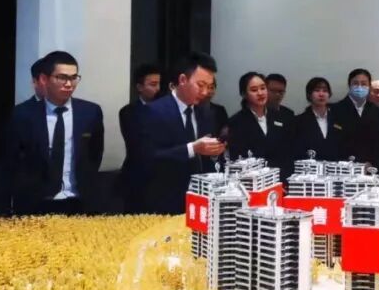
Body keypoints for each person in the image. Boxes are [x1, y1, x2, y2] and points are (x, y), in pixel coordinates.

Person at [0, 51, 105, 215]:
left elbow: (95, 154)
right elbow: (10, 162)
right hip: (35, 204)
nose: (69, 84)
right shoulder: (23, 114)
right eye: (62, 77)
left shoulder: (90, 112)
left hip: (79, 201)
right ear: (44, 79)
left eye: (74, 78)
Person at [131, 51, 226, 214]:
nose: (205, 92)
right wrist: (192, 148)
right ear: (182, 80)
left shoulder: (206, 113)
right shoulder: (154, 111)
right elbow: (146, 157)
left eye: (209, 86)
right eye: (200, 85)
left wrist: (214, 151)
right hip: (163, 200)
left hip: (200, 200)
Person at [227, 72, 292, 178]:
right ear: (244, 94)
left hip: (281, 178)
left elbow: (287, 152)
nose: (260, 93)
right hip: (252, 180)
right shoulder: (236, 122)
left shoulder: (280, 117)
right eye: (254, 90)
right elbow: (238, 160)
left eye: (263, 88)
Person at [117, 63, 161, 207]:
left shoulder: (167, 109)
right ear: (140, 87)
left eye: (159, 84)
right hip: (137, 175)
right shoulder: (128, 112)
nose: (157, 88)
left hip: (163, 177)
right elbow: (137, 144)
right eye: (153, 84)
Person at [330, 68, 379, 167]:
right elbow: (331, 141)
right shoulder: (334, 110)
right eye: (355, 83)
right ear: (349, 85)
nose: (360, 87)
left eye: (364, 84)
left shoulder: (377, 111)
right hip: (340, 166)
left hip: (368, 168)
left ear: (369, 86)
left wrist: (372, 162)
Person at [294, 76, 342, 162]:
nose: (321, 94)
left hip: (335, 166)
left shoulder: (339, 119)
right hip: (309, 167)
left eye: (325, 91)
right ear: (309, 94)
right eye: (317, 90)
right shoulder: (299, 121)